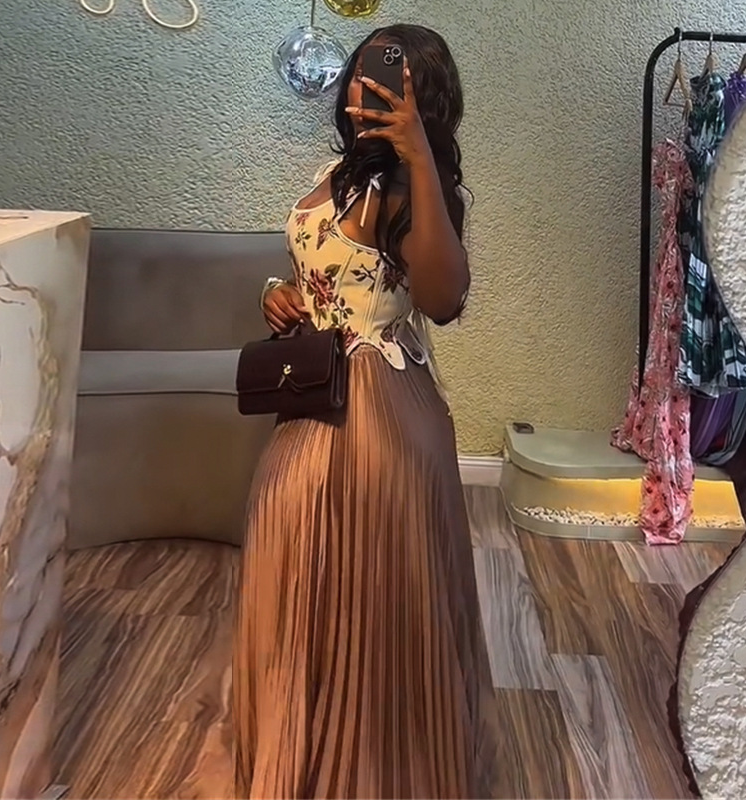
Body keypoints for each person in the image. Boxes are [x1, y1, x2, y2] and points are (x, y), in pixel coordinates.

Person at [233, 24, 500, 799]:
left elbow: (443, 299)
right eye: (361, 68)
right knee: (298, 556)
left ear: (423, 99)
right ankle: (301, 743)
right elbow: (322, 273)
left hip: (378, 410)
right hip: (313, 391)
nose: (362, 86)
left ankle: (376, 766)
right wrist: (279, 296)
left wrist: (418, 157)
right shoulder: (333, 175)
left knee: (373, 585)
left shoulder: (417, 192)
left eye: (387, 77)